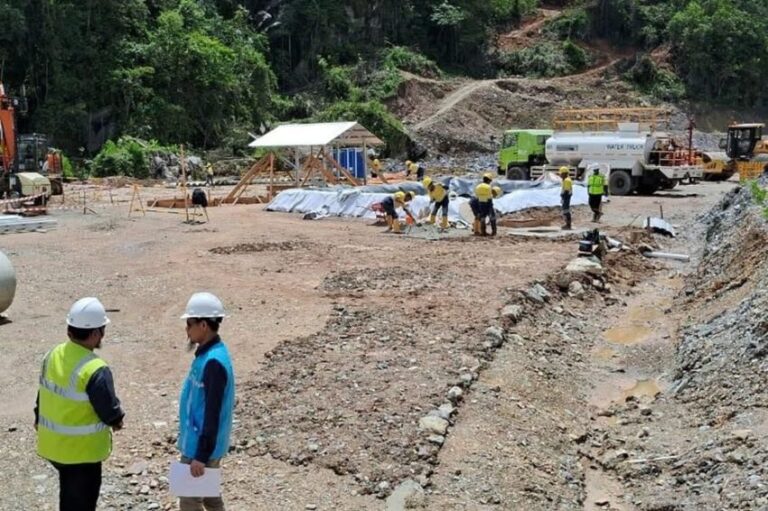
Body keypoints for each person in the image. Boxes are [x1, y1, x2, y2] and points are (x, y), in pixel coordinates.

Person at [36, 297, 124, 511]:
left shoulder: (53, 354)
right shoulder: (94, 368)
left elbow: (43, 394)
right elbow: (110, 413)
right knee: (81, 503)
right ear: (95, 334)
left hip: (52, 446)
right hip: (81, 454)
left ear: (70, 330)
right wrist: (117, 420)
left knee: (69, 496)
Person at [178, 292, 235, 511]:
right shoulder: (209, 356)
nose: (186, 329)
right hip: (202, 444)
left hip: (201, 448)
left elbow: (213, 412)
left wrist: (200, 456)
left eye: (189, 323)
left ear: (203, 325)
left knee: (189, 502)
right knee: (210, 496)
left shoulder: (213, 363)